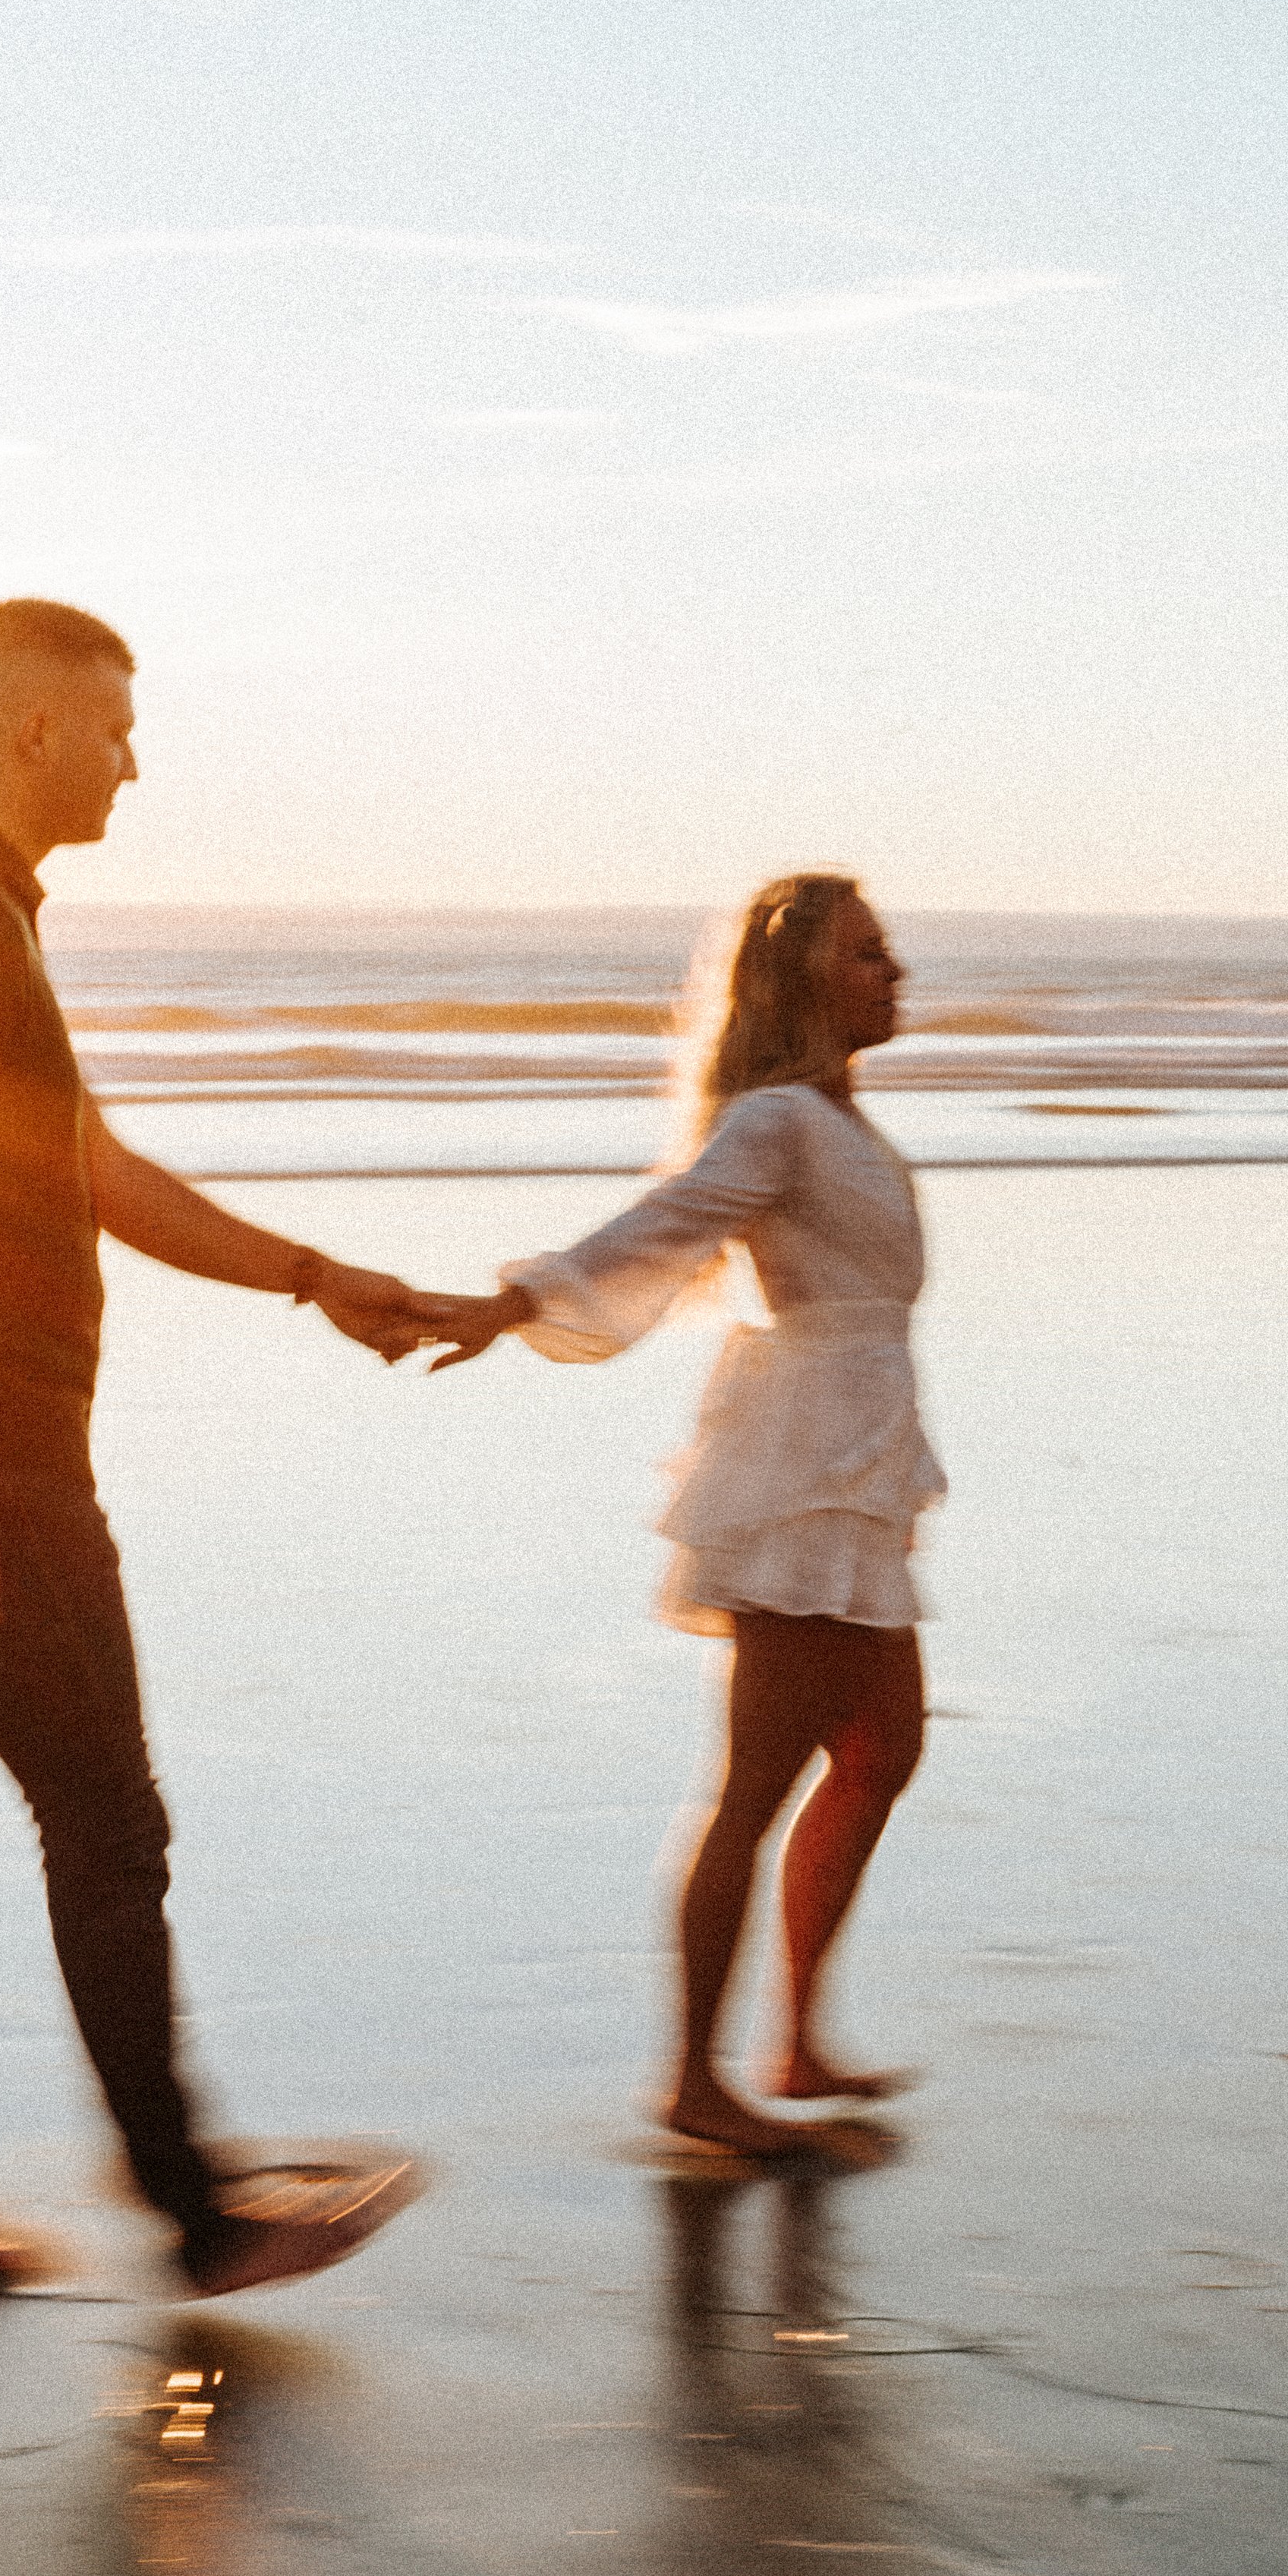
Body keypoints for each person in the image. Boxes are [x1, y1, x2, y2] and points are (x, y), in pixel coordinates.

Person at [0, 597, 438, 2290]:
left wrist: (311, 1278)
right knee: (107, 1825)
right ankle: (191, 2209)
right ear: (30, 733)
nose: (132, 761)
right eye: (114, 730)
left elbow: (86, 1167)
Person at [423, 876, 944, 2155]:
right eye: (868, 954)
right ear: (804, 979)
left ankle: (796, 2040)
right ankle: (694, 2079)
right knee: (757, 1781)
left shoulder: (842, 1122)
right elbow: (666, 1225)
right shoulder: (776, 1119)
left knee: (884, 1746)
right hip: (801, 1466)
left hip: (856, 1455)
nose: (898, 971)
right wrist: (516, 1300)